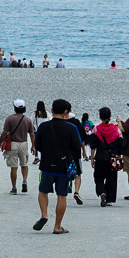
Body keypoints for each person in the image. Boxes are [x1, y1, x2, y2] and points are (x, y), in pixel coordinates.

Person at [33, 99, 80, 234]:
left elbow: (38, 146)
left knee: (43, 191)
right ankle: (57, 226)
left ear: (52, 110)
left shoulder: (43, 127)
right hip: (64, 167)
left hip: (47, 165)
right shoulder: (72, 128)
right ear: (66, 112)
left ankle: (44, 215)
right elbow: (77, 149)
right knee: (62, 196)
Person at [89, 107, 124, 206]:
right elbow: (121, 145)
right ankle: (109, 199)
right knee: (112, 178)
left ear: (100, 117)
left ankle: (102, 192)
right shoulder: (116, 130)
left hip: (100, 157)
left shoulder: (96, 129)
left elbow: (93, 146)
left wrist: (92, 159)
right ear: (110, 116)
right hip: (113, 158)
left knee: (99, 177)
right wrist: (119, 157)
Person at [2, 99, 36, 195]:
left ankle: (14, 188)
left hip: (12, 144)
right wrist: (33, 146)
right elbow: (32, 134)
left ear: (14, 108)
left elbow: (5, 132)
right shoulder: (28, 120)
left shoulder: (9, 119)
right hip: (23, 144)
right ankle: (24, 180)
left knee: (14, 167)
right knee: (24, 164)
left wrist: (0, 142)